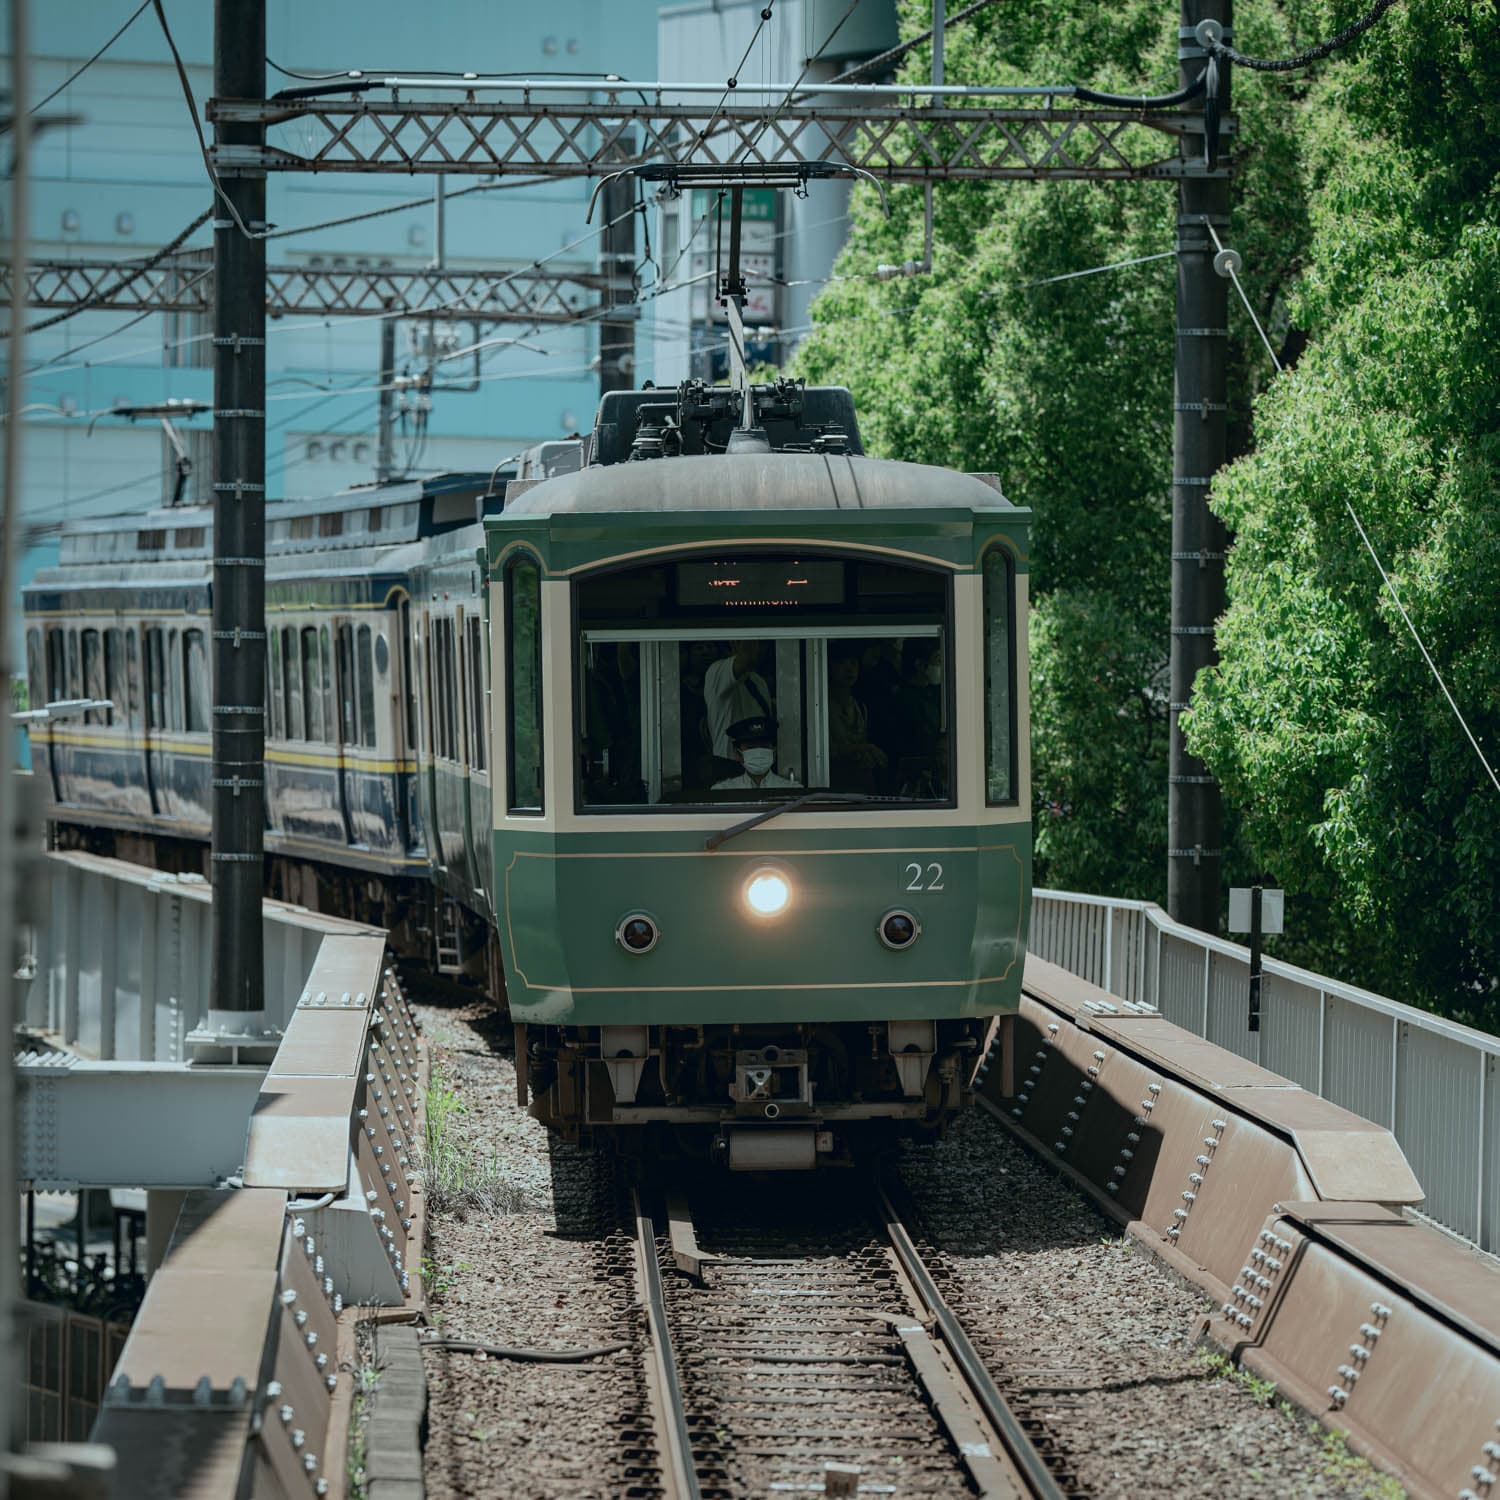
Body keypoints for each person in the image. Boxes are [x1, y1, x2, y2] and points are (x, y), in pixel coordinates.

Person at [704, 640, 773, 772]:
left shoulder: (759, 681)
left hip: (758, 766)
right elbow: (747, 658)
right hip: (727, 765)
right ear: (733, 643)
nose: (756, 648)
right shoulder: (717, 671)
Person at [828, 641, 887, 791]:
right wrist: (866, 748)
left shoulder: (861, 708)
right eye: (841, 663)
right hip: (834, 785)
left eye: (853, 663)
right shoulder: (820, 707)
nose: (849, 669)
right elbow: (827, 751)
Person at [712, 716, 800, 791]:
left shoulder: (793, 790)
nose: (758, 753)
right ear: (737, 753)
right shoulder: (723, 791)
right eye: (751, 747)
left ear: (774, 751)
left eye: (764, 746)